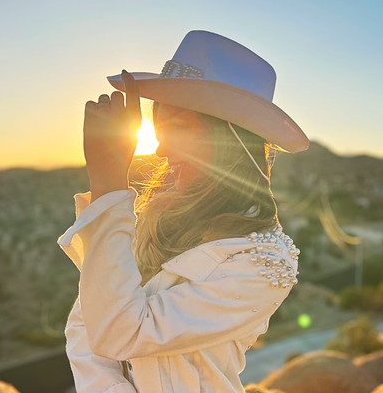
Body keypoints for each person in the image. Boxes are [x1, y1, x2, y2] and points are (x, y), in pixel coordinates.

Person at [57, 30, 309, 393]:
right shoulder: (152, 219)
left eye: (177, 128)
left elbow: (121, 332)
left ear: (229, 140)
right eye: (158, 129)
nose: (160, 150)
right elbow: (84, 324)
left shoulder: (266, 261)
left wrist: (108, 184)